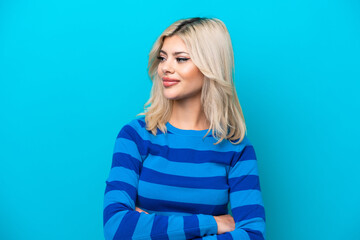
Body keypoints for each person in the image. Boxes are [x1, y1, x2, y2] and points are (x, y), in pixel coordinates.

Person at [103, 17, 266, 239]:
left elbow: (253, 235)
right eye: (162, 58)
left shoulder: (237, 149)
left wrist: (150, 228)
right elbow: (117, 227)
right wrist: (214, 224)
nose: (165, 68)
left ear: (210, 67)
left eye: (181, 59)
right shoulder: (135, 137)